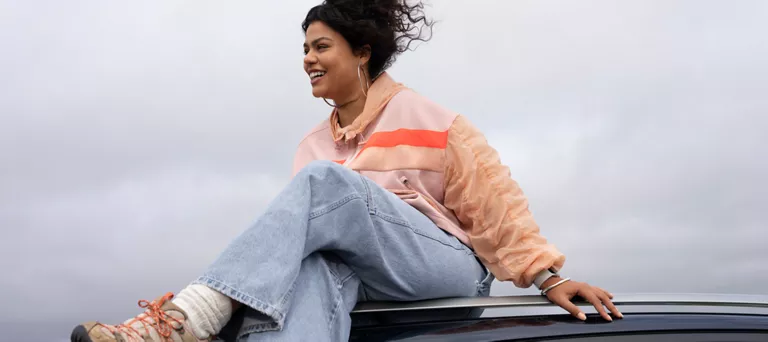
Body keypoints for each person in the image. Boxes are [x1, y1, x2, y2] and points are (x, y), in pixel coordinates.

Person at [70, 0, 621, 341]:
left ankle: (189, 319)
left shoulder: (432, 120)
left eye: (320, 46)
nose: (307, 58)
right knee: (311, 272)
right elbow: (295, 245)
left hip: (443, 268)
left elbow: (495, 204)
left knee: (327, 185)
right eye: (304, 48)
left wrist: (548, 277)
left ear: (361, 52)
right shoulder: (312, 145)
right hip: (365, 281)